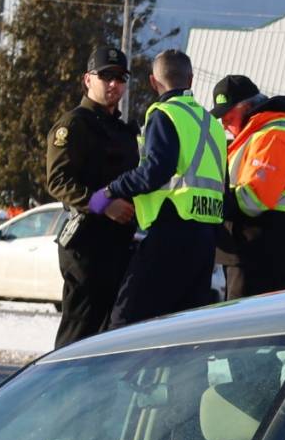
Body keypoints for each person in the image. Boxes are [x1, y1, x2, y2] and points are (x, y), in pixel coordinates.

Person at [95, 49, 226, 328]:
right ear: (191, 80)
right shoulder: (211, 123)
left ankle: (121, 373)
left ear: (154, 82)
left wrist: (110, 191)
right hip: (206, 237)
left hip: (171, 230)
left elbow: (156, 171)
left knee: (125, 320)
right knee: (185, 327)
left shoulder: (164, 114)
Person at [43, 43, 139, 348]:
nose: (113, 84)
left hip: (119, 245)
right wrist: (104, 205)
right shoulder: (74, 125)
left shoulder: (124, 131)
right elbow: (57, 180)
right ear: (88, 80)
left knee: (109, 337)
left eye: (120, 78)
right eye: (106, 76)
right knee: (79, 334)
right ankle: (60, 395)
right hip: (86, 244)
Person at [207, 74, 285, 299]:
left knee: (244, 328)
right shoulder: (258, 133)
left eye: (228, 115)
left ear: (246, 107)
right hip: (253, 252)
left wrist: (210, 202)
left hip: (260, 253)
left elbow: (253, 200)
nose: (224, 123)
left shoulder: (274, 135)